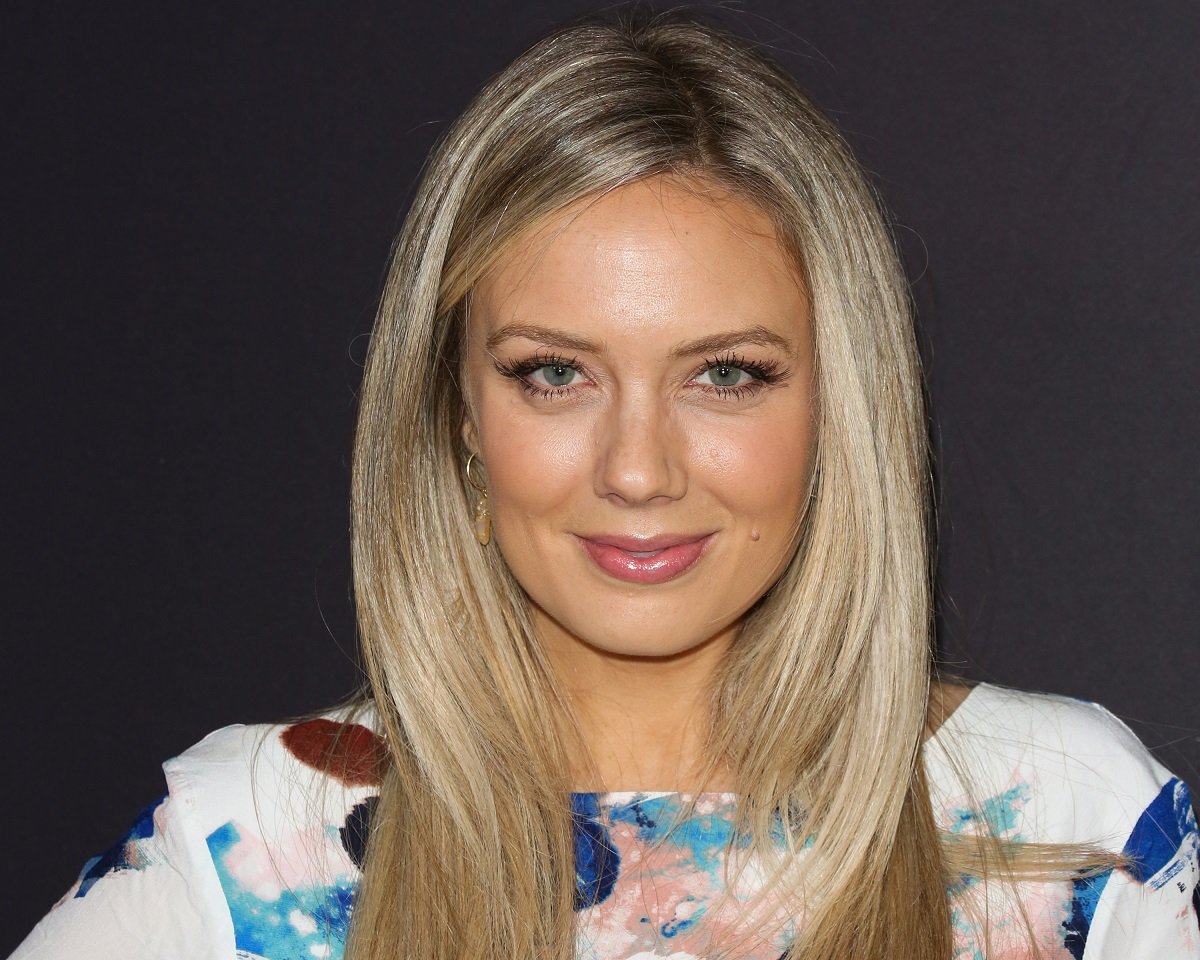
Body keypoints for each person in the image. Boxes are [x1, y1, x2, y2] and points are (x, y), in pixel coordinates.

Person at [13, 11, 1198, 960]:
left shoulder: (1065, 824)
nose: (638, 469)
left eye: (727, 374)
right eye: (554, 374)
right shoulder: (259, 841)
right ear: (458, 421)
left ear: (841, 407)